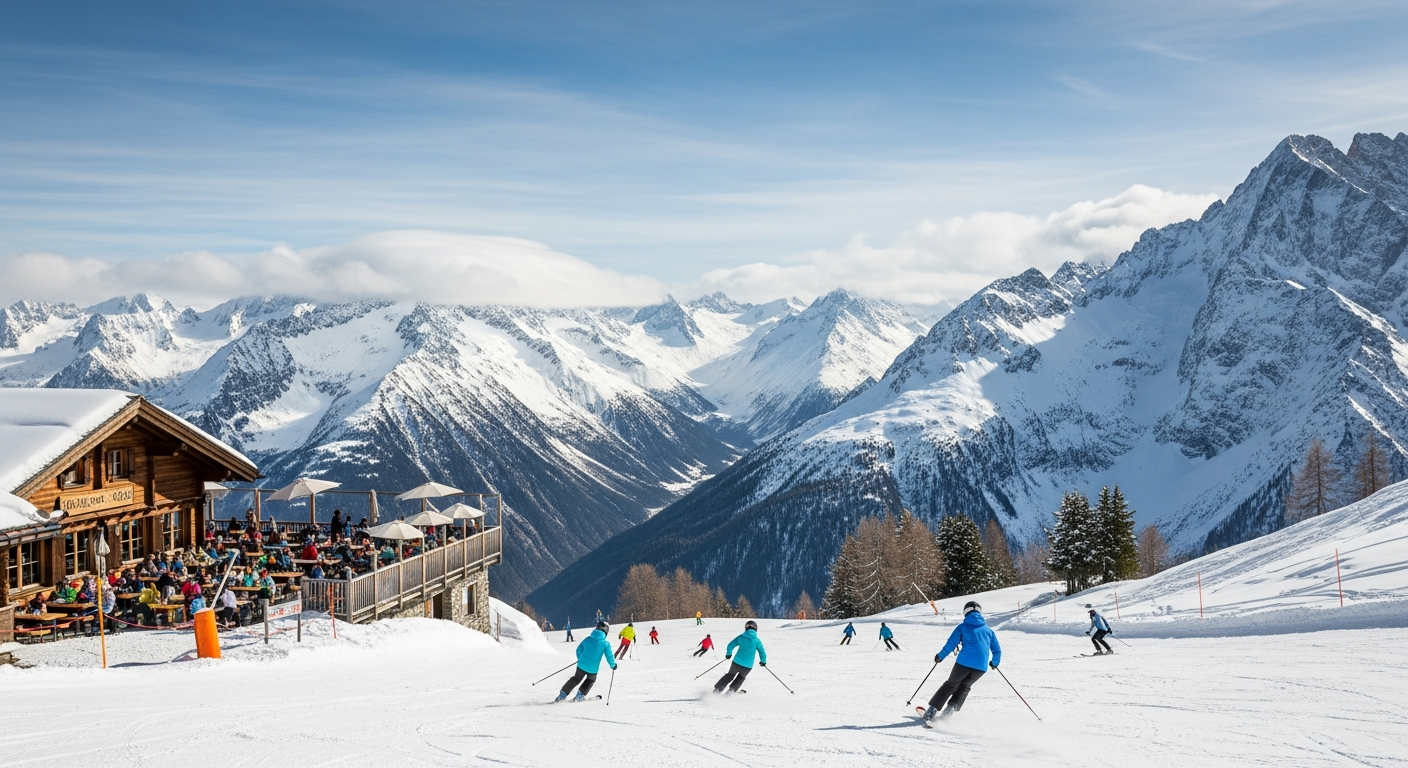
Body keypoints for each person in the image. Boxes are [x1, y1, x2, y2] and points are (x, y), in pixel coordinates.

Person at [922, 601, 1001, 723]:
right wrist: (994, 662)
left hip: (963, 663)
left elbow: (951, 644)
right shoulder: (988, 631)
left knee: (950, 685)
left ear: (966, 612)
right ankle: (949, 712)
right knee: (965, 687)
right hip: (981, 667)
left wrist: (940, 656)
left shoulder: (962, 627)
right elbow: (997, 650)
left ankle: (931, 712)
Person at [556, 620, 617, 702]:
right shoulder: (605, 644)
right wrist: (613, 665)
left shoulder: (588, 639)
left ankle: (562, 695)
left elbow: (578, 650)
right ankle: (580, 695)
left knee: (576, 679)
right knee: (590, 680)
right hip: (593, 668)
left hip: (581, 665)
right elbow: (609, 656)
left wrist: (580, 658)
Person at [714, 620, 766, 694]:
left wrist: (729, 654)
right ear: (756, 629)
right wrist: (763, 661)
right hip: (748, 665)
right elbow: (762, 652)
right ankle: (731, 691)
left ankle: (718, 690)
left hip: (736, 662)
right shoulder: (757, 641)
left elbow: (730, 645)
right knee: (741, 678)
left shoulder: (741, 637)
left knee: (730, 675)